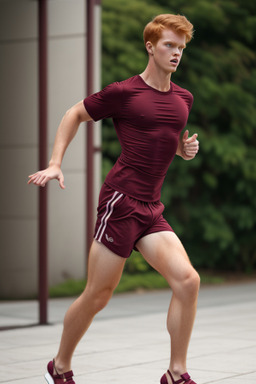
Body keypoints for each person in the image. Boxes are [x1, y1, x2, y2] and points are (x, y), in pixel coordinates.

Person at [28, 14, 200, 384]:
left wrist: (184, 152)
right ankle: (59, 367)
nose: (176, 54)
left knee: (187, 281)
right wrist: (56, 162)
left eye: (181, 48)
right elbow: (75, 113)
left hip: (152, 209)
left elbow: (162, 144)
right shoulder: (124, 93)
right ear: (150, 47)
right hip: (120, 204)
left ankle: (176, 372)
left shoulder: (183, 98)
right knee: (98, 295)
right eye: (169, 45)